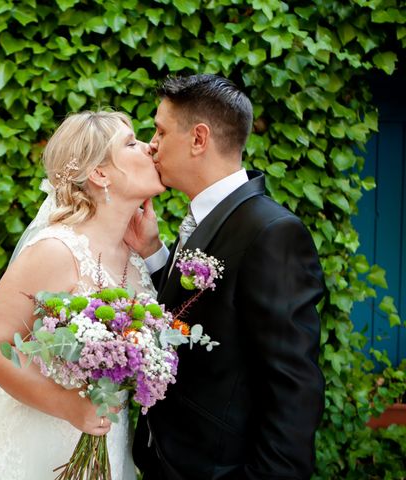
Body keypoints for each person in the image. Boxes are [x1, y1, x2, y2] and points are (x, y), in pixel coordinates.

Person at [0, 110, 165, 479]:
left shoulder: (138, 256)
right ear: (100, 173)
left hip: (108, 444)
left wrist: (152, 248)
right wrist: (71, 407)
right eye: (130, 143)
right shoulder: (56, 250)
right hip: (36, 446)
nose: (149, 147)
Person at [128, 75, 325, 479]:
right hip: (167, 460)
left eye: (161, 131)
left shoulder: (271, 232)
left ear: (199, 139)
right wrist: (153, 252)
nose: (152, 144)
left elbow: (293, 388)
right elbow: (203, 313)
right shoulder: (206, 215)